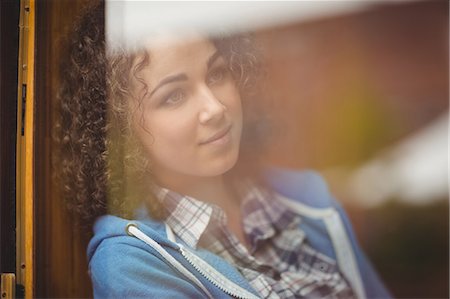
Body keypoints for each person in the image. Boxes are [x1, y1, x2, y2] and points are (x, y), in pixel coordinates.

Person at [56, 1, 391, 298]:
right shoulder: (131, 265)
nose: (215, 108)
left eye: (217, 74)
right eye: (173, 96)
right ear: (119, 130)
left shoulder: (309, 198)